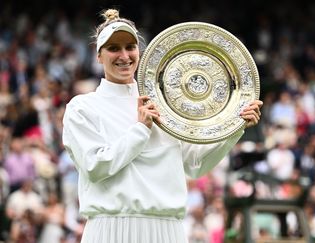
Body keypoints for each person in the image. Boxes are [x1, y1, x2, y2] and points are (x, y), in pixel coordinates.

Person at [62, 9, 263, 243]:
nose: (124, 55)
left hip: (168, 230)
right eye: (114, 48)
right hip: (110, 227)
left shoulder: (166, 103)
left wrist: (235, 127)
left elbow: (194, 164)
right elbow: (94, 166)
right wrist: (141, 129)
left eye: (130, 47)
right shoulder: (82, 108)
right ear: (99, 55)